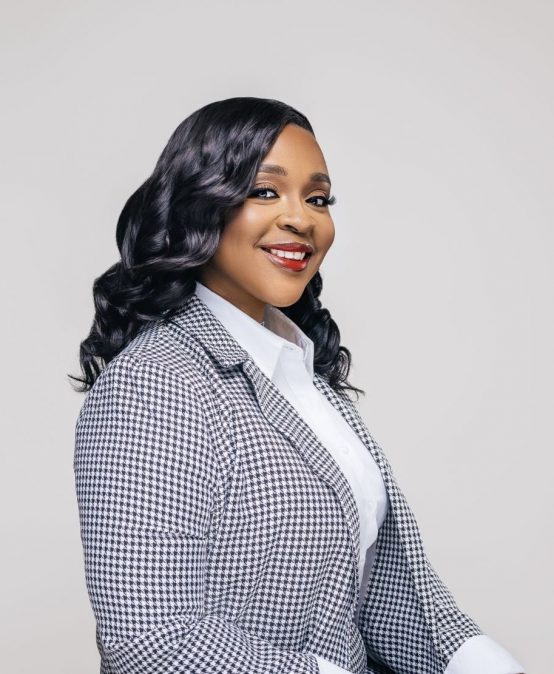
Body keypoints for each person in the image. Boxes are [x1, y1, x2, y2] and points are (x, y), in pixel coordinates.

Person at [70, 97, 526, 674]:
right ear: (197, 205)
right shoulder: (153, 385)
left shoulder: (301, 372)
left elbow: (386, 598)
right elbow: (152, 641)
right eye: (265, 191)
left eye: (318, 199)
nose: (302, 219)